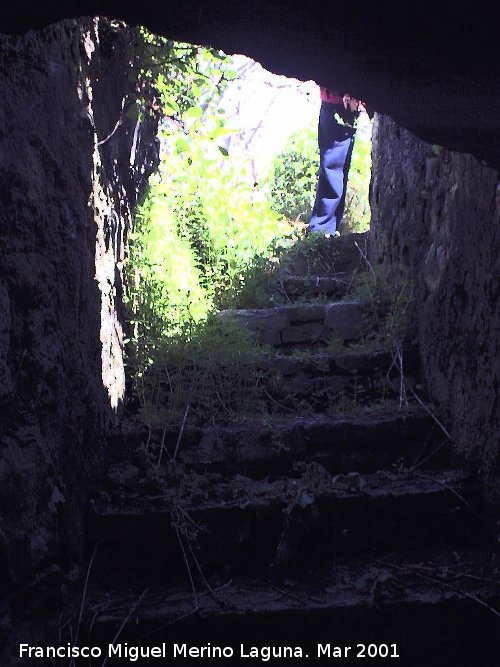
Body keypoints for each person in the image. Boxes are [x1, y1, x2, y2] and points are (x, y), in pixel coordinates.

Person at [309, 87, 365, 235]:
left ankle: (326, 229)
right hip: (337, 107)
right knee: (333, 171)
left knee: (337, 171)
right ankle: (321, 231)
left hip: (338, 107)